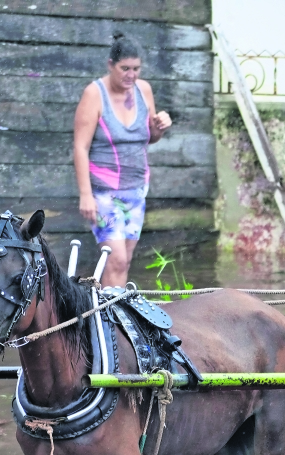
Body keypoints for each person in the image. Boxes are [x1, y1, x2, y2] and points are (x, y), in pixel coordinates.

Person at [72, 34, 172, 287]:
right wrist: (86, 194)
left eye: (136, 69)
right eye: (124, 68)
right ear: (110, 65)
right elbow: (80, 147)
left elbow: (149, 139)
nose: (131, 75)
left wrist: (160, 126)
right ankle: (108, 319)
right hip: (104, 192)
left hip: (137, 190)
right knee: (115, 259)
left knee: (124, 260)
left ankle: (111, 316)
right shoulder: (94, 94)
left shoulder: (144, 90)